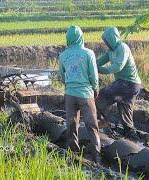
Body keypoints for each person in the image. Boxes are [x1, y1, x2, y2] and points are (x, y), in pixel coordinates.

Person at [58, 25, 101, 162]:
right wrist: (96, 89)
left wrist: (70, 85)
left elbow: (61, 76)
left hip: (70, 95)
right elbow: (94, 76)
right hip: (85, 94)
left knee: (71, 125)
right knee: (92, 126)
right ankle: (96, 155)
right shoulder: (89, 53)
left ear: (68, 38)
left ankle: (73, 154)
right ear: (81, 37)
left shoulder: (63, 55)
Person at [96, 27, 142, 139]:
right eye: (105, 41)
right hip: (125, 84)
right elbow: (98, 62)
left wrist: (101, 70)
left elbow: (118, 66)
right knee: (125, 112)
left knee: (101, 96)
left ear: (113, 38)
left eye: (107, 40)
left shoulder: (123, 48)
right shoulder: (110, 51)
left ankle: (104, 123)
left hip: (129, 83)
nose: (106, 43)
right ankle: (131, 136)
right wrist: (90, 65)